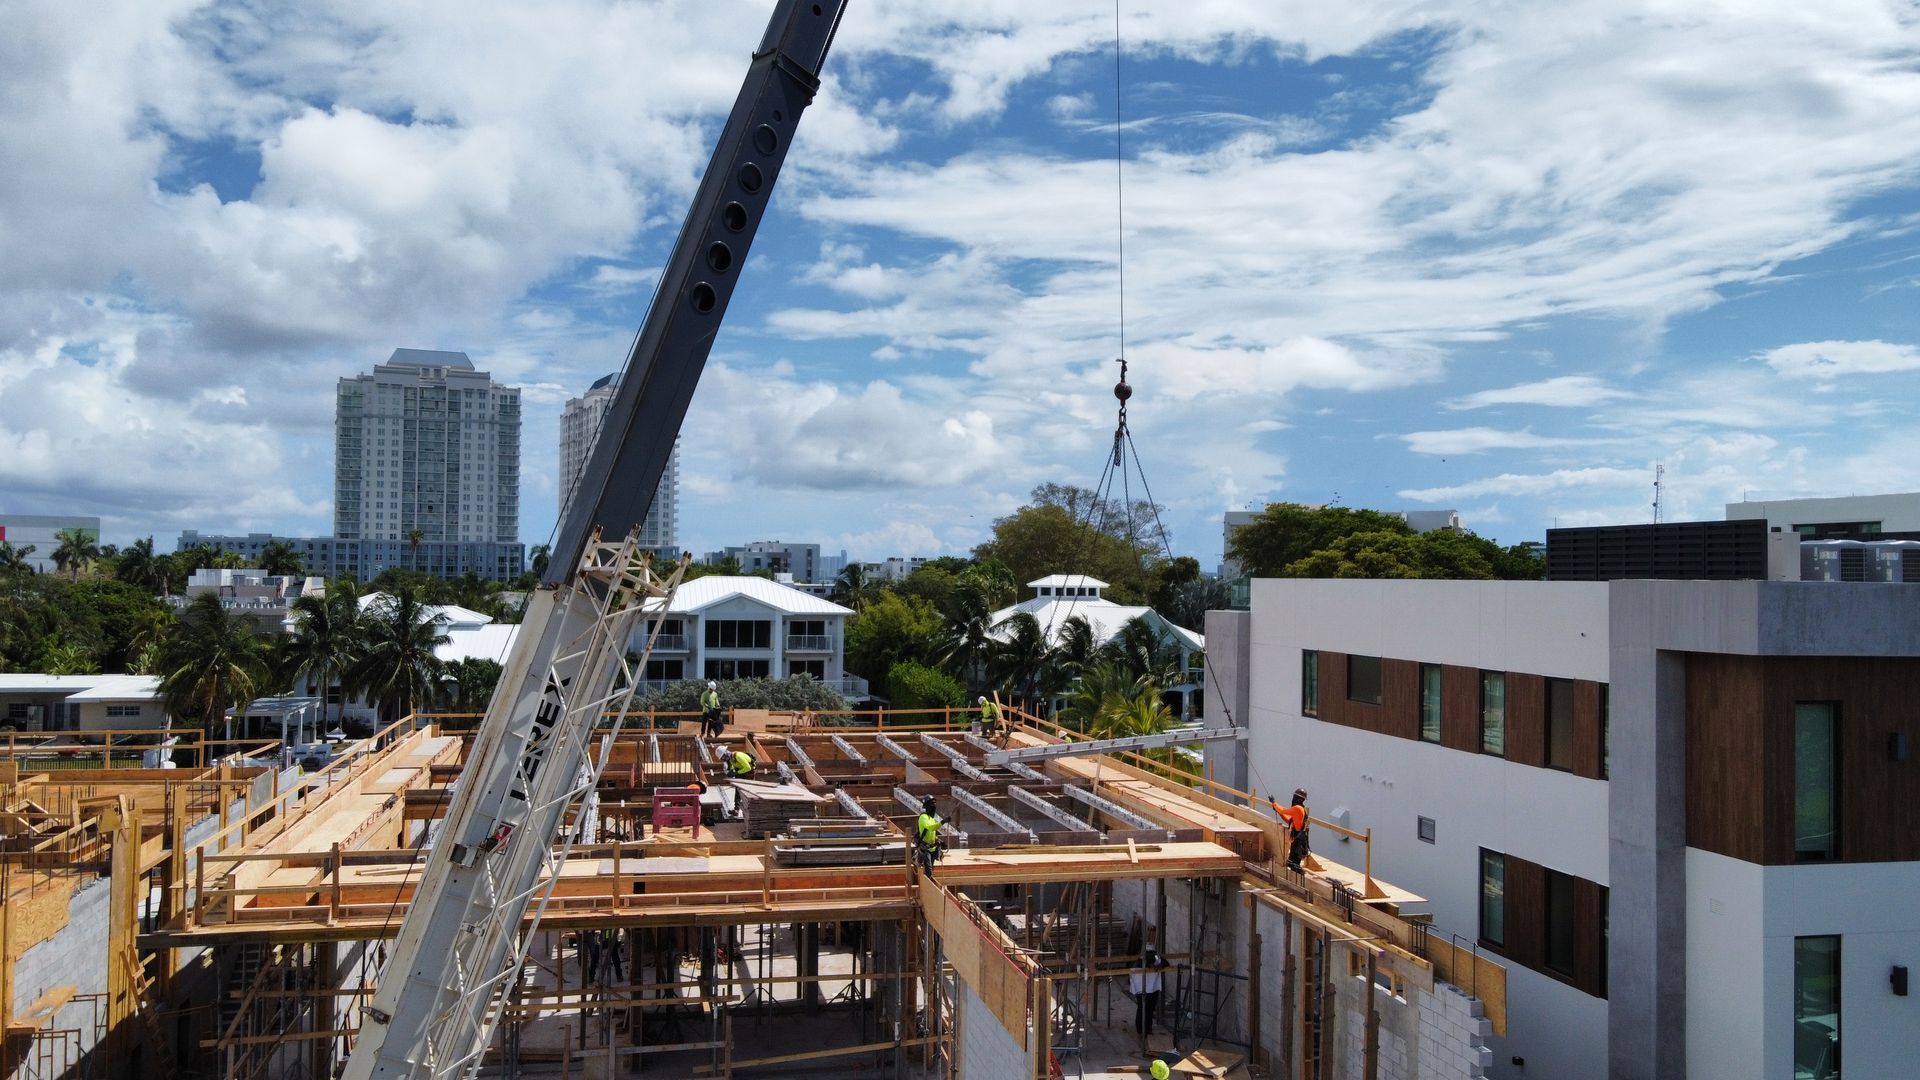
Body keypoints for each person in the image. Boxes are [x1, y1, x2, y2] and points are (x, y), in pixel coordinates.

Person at [1129, 946, 1167, 1048]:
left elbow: (1165, 963)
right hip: (1142, 990)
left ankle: (1148, 1031)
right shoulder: (1139, 962)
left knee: (1149, 1009)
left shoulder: (1155, 958)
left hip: (1152, 989)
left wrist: (1159, 965)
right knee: (1142, 1009)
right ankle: (1141, 1032)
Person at [1270, 787, 1311, 872]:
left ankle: (1299, 877)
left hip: (1298, 839)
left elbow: (1283, 811)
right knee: (1292, 860)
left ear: (1297, 798)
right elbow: (1289, 820)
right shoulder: (1300, 809)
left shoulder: (1297, 808)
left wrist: (1274, 803)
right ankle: (1296, 875)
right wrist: (1278, 811)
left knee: (1294, 861)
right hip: (1297, 838)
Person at [915, 796, 942, 874]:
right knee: (928, 869)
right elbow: (929, 828)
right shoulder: (923, 817)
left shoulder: (932, 819)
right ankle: (927, 882)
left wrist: (937, 840)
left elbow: (932, 832)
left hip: (932, 848)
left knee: (931, 868)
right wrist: (942, 822)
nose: (933, 807)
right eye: (932, 805)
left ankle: (929, 880)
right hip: (925, 848)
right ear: (927, 806)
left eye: (934, 804)